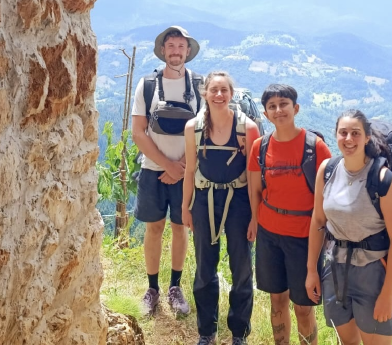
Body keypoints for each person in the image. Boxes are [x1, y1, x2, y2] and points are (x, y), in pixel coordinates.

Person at [305, 109, 392, 345]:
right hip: (335, 268)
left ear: (367, 137)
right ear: (336, 135)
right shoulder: (327, 171)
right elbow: (318, 221)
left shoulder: (382, 179)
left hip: (373, 273)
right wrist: (312, 270)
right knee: (347, 341)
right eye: (343, 133)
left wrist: (387, 293)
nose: (348, 139)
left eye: (355, 133)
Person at [247, 84, 332, 345]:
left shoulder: (316, 147)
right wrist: (255, 221)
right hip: (269, 235)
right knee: (276, 301)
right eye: (272, 106)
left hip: (304, 238)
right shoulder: (260, 147)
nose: (278, 110)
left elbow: (328, 197)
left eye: (284, 104)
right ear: (265, 114)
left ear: (296, 108)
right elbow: (255, 190)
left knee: (304, 307)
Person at [182, 72, 260, 345]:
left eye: (224, 90)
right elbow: (190, 170)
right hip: (204, 199)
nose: (218, 95)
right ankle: (207, 332)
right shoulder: (193, 128)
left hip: (239, 201)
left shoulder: (247, 128)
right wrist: (185, 207)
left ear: (231, 94)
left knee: (241, 267)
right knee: (205, 266)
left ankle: (239, 333)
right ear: (204, 93)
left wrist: (255, 216)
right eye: (213, 90)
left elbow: (254, 176)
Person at [131, 26, 201, 316]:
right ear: (163, 50)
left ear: (188, 51)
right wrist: (168, 164)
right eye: (171, 46)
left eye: (180, 46)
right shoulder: (147, 84)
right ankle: (152, 289)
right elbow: (138, 132)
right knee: (154, 228)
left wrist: (180, 167)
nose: (175, 51)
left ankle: (174, 287)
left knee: (179, 228)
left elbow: (205, 129)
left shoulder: (199, 85)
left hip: (186, 172)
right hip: (152, 170)